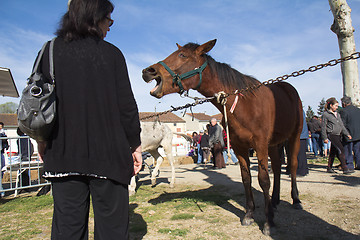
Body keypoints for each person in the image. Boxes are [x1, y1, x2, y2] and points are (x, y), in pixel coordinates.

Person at [36, 0, 142, 239]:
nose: (111, 25)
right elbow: (127, 107)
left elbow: (39, 105)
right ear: (95, 18)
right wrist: (135, 144)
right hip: (109, 156)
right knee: (113, 231)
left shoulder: (50, 51)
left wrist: (41, 139)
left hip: (63, 155)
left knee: (68, 231)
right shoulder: (113, 54)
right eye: (109, 19)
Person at [321, 97, 353, 174]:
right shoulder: (326, 114)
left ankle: (329, 167)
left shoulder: (337, 114)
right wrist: (324, 137)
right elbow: (323, 127)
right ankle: (345, 168)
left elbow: (342, 126)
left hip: (338, 134)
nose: (337, 107)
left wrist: (347, 134)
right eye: (335, 105)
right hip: (331, 134)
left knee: (333, 151)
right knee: (341, 149)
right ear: (331, 105)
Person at [340, 96, 360, 170]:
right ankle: (359, 164)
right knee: (358, 151)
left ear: (344, 103)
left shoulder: (343, 111)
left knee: (348, 151)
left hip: (349, 134)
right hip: (358, 134)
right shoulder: (358, 110)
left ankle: (349, 165)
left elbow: (342, 124)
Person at [297, 111, 309, 176]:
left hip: (299, 135)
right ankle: (305, 169)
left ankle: (301, 171)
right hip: (303, 134)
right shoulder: (301, 110)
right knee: (302, 154)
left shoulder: (297, 110)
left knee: (299, 154)